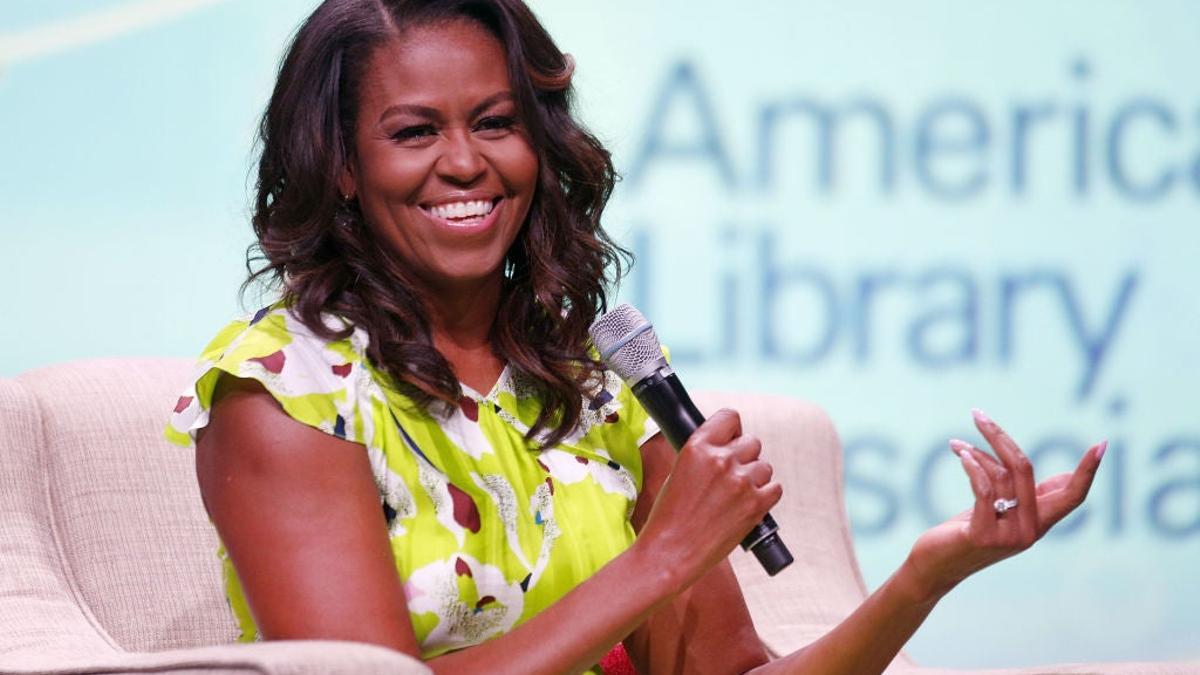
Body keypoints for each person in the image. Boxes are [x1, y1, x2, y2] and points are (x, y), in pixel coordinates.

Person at [165, 1, 1105, 672]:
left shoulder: (593, 383)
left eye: (496, 124)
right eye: (415, 132)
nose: (465, 162)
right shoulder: (284, 392)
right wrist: (663, 556)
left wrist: (926, 574)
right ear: (339, 166)